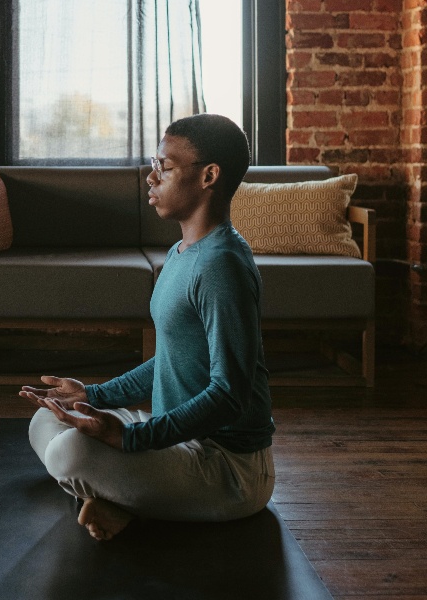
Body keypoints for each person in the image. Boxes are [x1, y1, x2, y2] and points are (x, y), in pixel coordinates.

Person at [19, 113, 276, 541]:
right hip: (178, 440)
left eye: (165, 167)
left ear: (209, 175)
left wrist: (133, 439)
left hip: (231, 468)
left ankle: (124, 501)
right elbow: (173, 357)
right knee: (48, 423)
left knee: (69, 452)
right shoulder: (182, 251)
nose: (151, 178)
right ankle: (123, 502)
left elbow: (231, 394)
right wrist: (92, 395)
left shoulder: (222, 265)